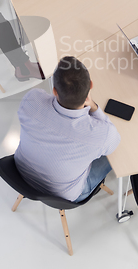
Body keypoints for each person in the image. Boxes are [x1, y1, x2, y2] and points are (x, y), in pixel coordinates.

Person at [14, 56, 121, 202]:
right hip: (63, 195)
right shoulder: (101, 134)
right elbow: (114, 141)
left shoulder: (31, 100)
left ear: (54, 91)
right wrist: (94, 107)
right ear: (91, 85)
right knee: (114, 155)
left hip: (20, 173)